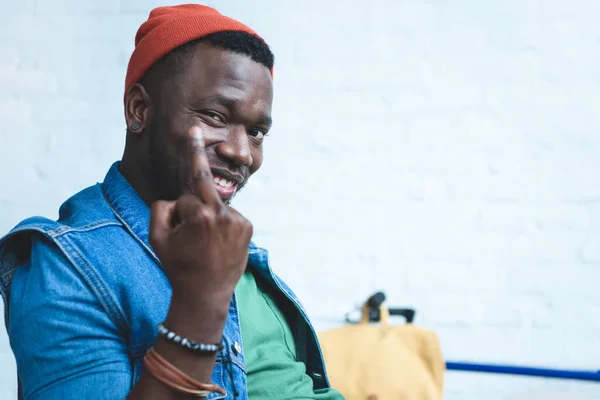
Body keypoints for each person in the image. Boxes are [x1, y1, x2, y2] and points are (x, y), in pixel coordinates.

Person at [0, 4, 344, 400]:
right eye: (215, 115)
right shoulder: (65, 265)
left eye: (256, 132)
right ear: (139, 110)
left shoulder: (232, 246)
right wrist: (202, 301)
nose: (242, 153)